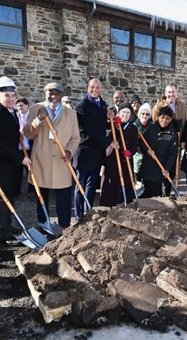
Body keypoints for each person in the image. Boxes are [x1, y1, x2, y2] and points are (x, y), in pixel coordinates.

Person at [24, 82, 80, 228]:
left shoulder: (71, 114)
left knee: (64, 197)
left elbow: (75, 137)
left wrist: (69, 151)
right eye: (50, 93)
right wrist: (39, 120)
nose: (53, 96)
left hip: (62, 161)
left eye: (57, 93)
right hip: (41, 160)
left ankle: (64, 227)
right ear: (45, 93)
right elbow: (28, 133)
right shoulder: (35, 109)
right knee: (42, 196)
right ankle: (44, 224)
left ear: (61, 95)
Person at [0, 77, 31, 246]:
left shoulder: (11, 112)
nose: (11, 98)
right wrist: (22, 159)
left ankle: (8, 226)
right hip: (0, 165)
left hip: (10, 164)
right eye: (7, 95)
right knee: (3, 197)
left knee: (10, 196)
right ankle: (3, 233)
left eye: (13, 95)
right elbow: (1, 143)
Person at [74, 78, 117, 218]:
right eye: (92, 87)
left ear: (101, 90)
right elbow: (91, 130)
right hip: (85, 151)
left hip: (97, 151)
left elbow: (102, 126)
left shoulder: (103, 105)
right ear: (88, 88)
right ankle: (79, 215)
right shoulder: (81, 107)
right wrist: (109, 143)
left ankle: (88, 212)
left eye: (97, 88)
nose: (94, 90)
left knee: (92, 186)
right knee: (81, 185)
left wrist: (111, 119)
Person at [100, 104, 138, 206]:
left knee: (126, 180)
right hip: (113, 159)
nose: (125, 115)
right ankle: (110, 203)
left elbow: (135, 144)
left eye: (128, 113)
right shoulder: (111, 125)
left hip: (126, 159)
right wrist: (114, 126)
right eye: (123, 112)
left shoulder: (133, 128)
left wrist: (130, 153)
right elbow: (105, 137)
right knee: (112, 181)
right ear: (119, 113)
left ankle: (126, 202)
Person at [139, 106, 179, 198]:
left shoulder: (172, 134)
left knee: (156, 193)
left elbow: (172, 154)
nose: (164, 120)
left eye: (167, 118)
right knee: (147, 191)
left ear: (170, 119)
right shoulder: (152, 128)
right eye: (162, 117)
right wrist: (147, 151)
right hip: (147, 166)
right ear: (158, 117)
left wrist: (167, 169)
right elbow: (142, 142)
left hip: (159, 168)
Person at [15, 96, 34, 197]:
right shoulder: (15, 116)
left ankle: (32, 189)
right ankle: (16, 190)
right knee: (17, 171)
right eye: (18, 106)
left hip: (29, 147)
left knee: (30, 170)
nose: (20, 108)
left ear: (27, 105)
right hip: (18, 148)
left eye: (22, 105)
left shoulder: (31, 117)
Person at [133, 103, 152, 184]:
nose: (145, 116)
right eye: (143, 113)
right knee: (138, 182)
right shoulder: (134, 126)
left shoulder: (152, 127)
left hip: (148, 158)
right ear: (139, 114)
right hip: (137, 157)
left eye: (147, 114)